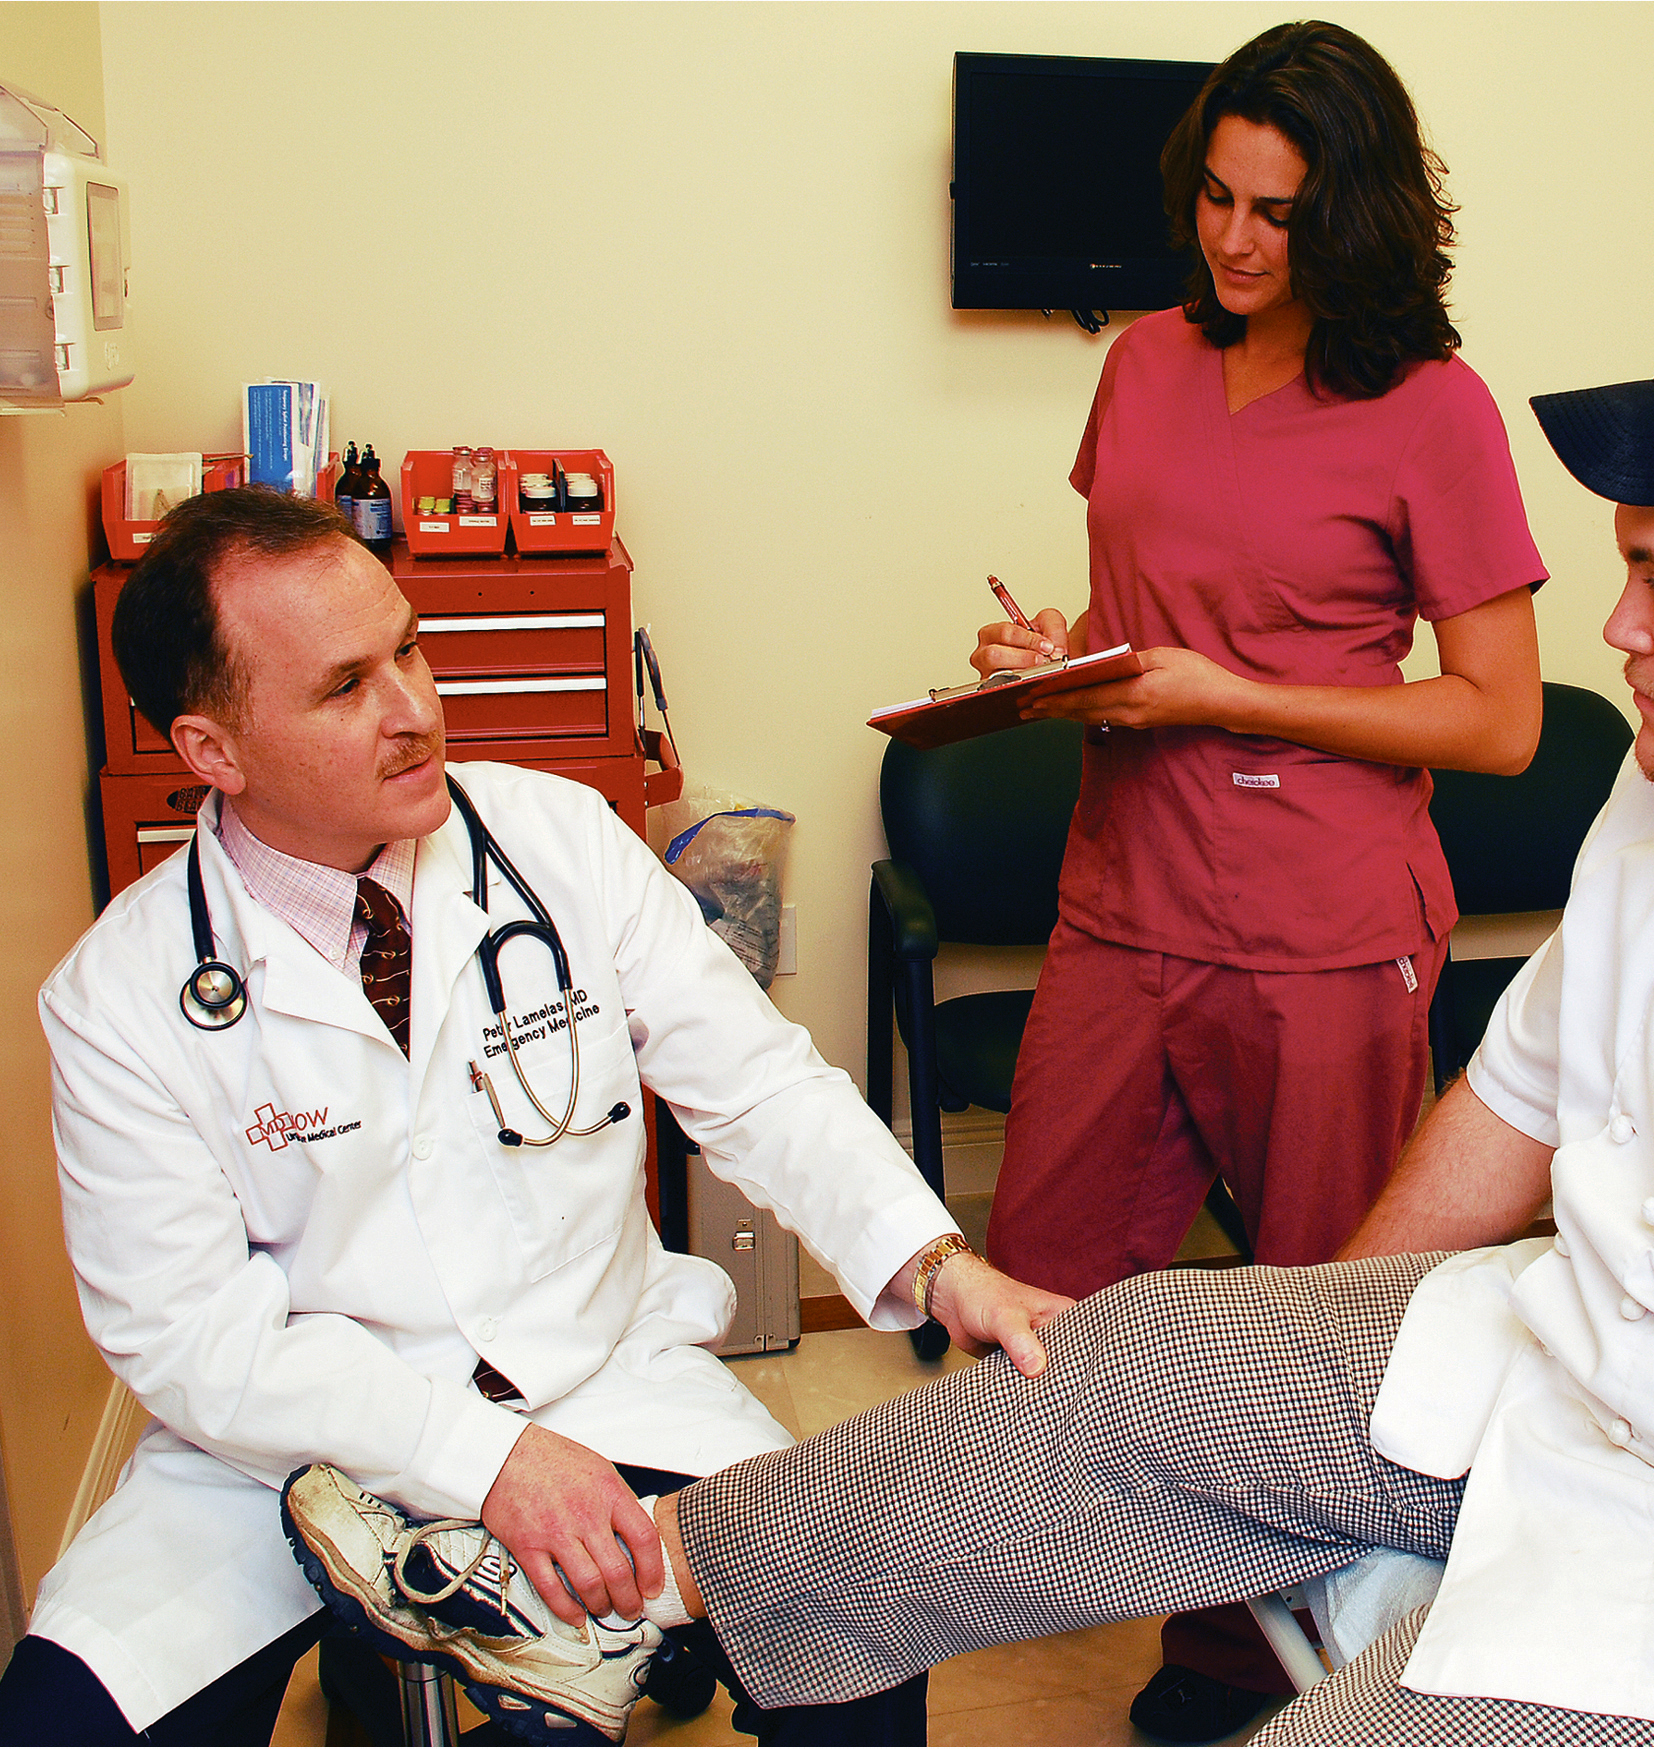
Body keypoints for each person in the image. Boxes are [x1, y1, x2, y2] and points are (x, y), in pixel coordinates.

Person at [297, 303, 1654, 1746]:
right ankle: (644, 1597)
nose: (1613, 633)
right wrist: (1312, 1412)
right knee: (1129, 1347)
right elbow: (1515, 1097)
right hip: (1614, 1367)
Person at [0, 488, 1069, 1746]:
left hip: (599, 1378)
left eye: (408, 649)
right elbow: (193, 1341)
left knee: (858, 1639)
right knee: (62, 1727)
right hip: (288, 1450)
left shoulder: (559, 843)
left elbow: (761, 1084)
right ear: (213, 752)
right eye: (344, 687)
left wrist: (942, 1266)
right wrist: (484, 1460)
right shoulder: (122, 999)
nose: (413, 708)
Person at [974, 22, 1545, 1729]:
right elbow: (1151, 612)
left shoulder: (1431, 409)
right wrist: (1057, 657)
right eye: (1215, 198)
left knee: (1317, 1317)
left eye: (1277, 213)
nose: (1232, 240)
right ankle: (1076, 1556)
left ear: (1351, 214)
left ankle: (1246, 1656)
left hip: (1319, 924)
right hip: (1123, 893)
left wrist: (1226, 695)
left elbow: (1500, 717)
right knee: (1045, 1272)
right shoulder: (1147, 362)